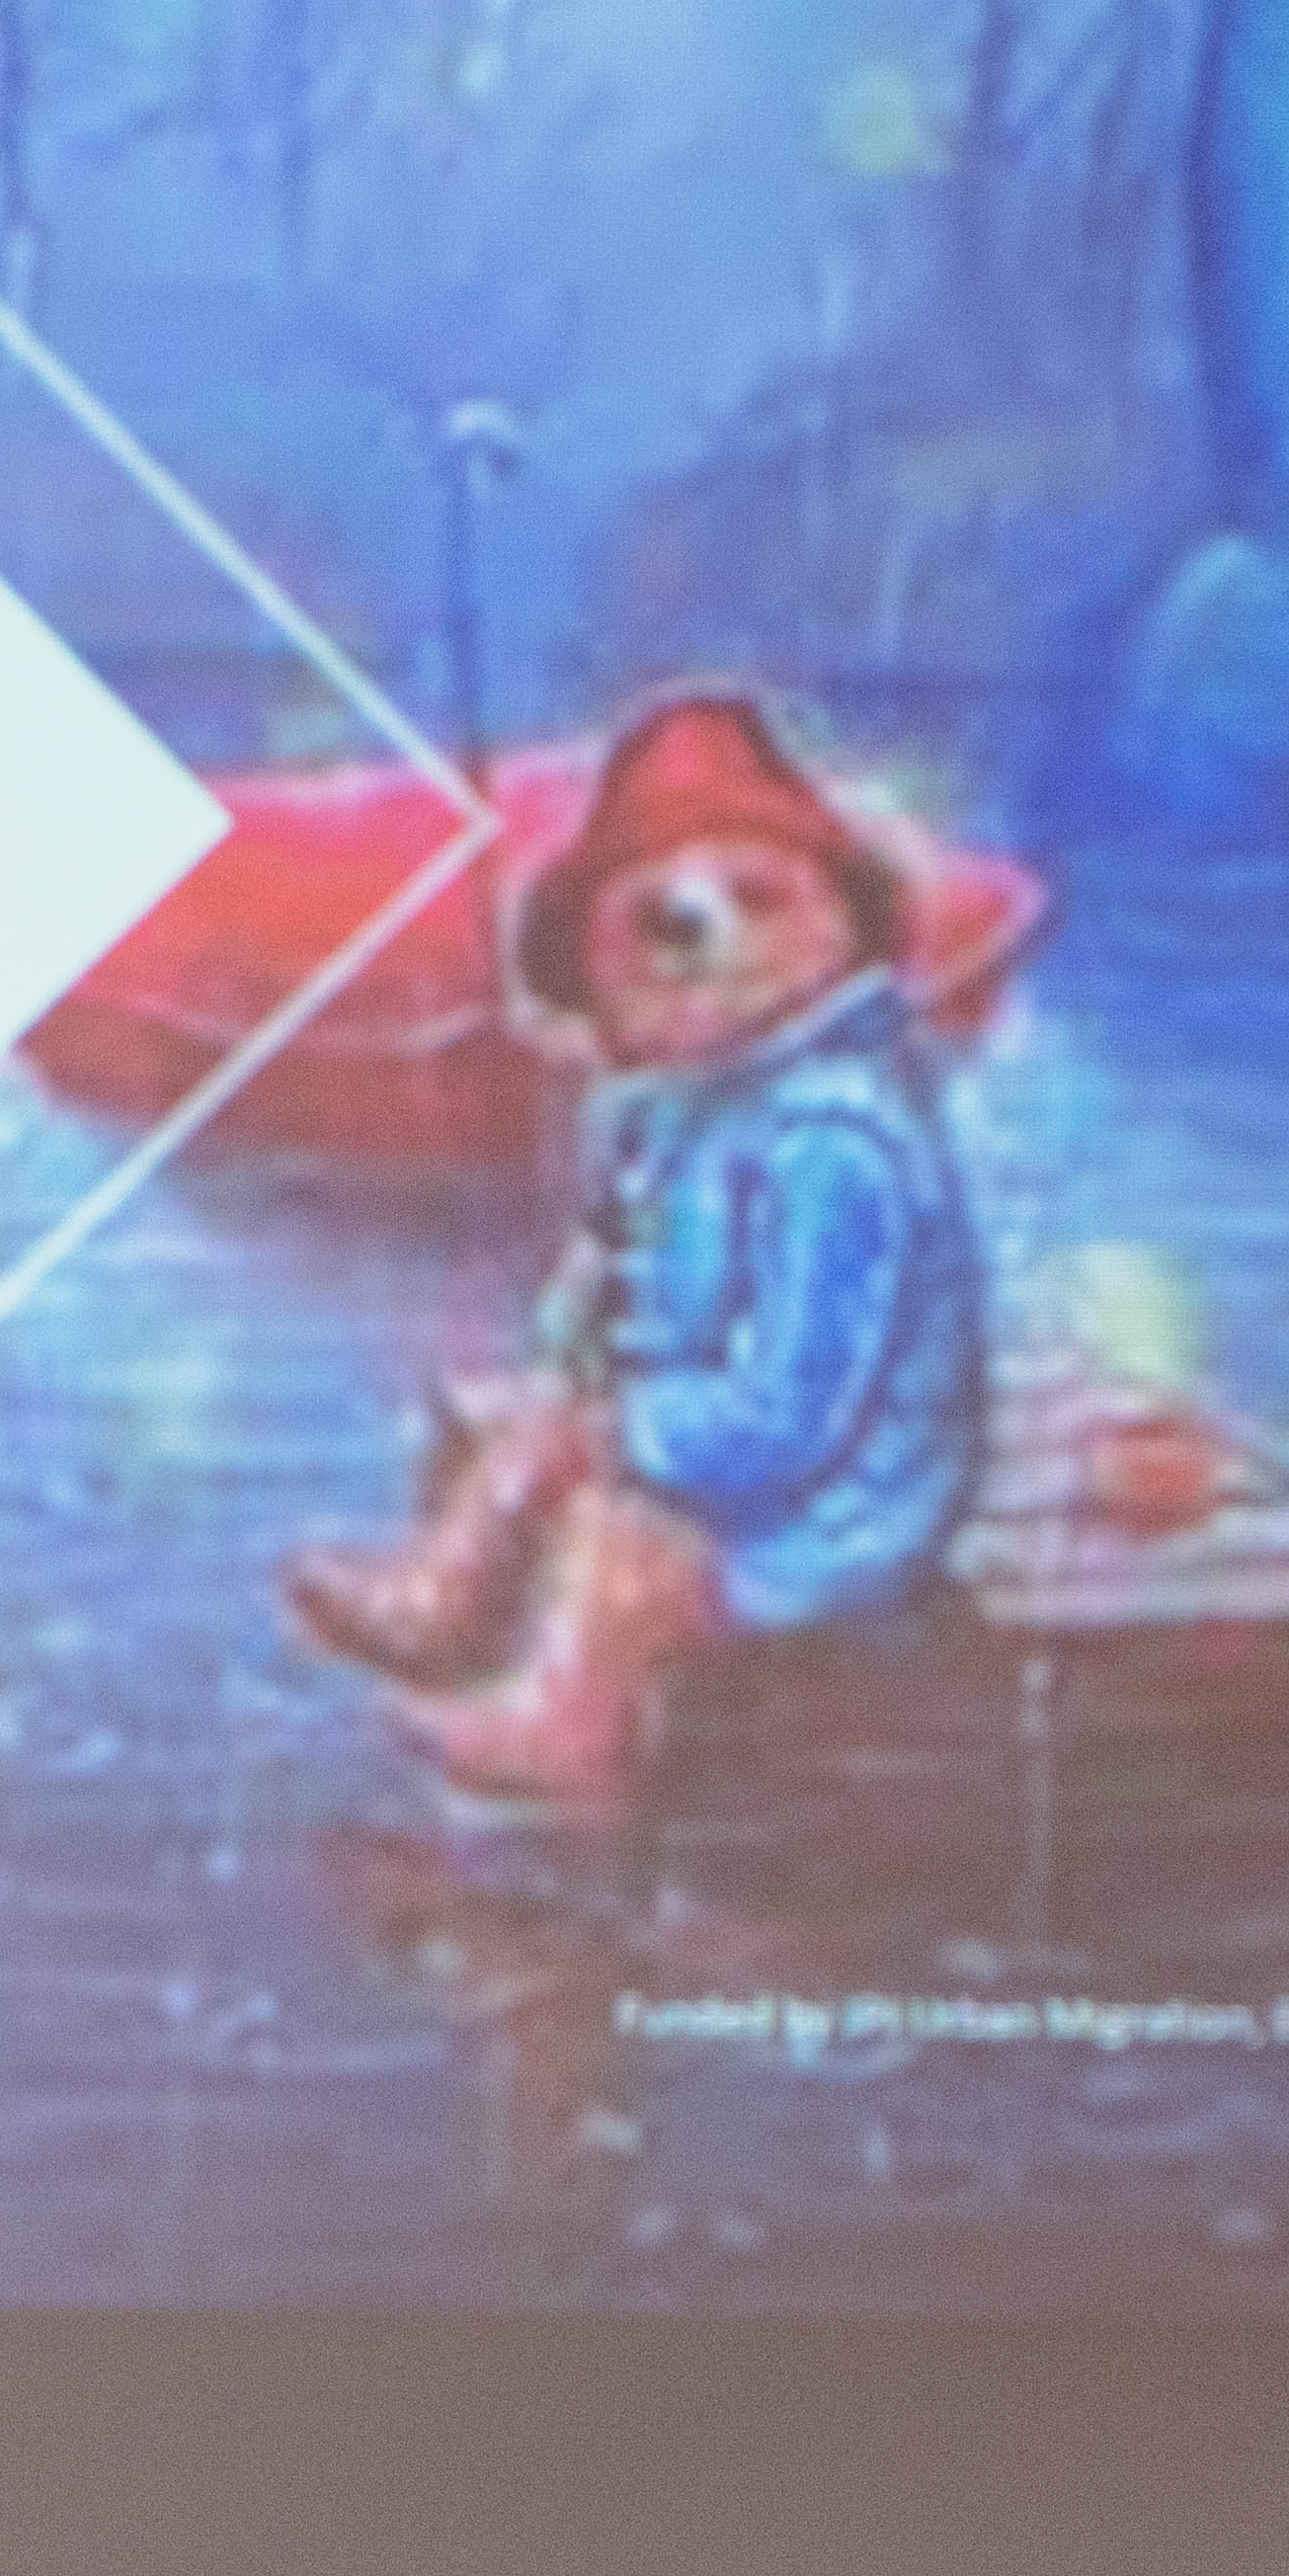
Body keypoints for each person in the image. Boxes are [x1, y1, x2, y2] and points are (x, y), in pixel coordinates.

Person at [281, 689, 991, 1808]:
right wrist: (582, 1358)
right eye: (657, 927)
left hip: (841, 1491)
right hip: (717, 1433)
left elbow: (798, 1409)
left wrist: (641, 1436)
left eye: (763, 901)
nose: (716, 951)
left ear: (845, 929)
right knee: (539, 1429)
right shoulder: (674, 1111)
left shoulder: (832, 1144)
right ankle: (439, 1597)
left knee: (626, 1544)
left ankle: (571, 1723)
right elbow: (619, 1268)